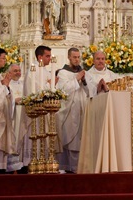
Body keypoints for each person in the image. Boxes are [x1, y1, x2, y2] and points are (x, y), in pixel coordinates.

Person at [19, 45, 53, 173]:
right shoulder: (32, 70)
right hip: (35, 112)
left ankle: (43, 160)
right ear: (40, 57)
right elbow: (34, 91)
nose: (50, 59)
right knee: (35, 134)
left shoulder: (44, 70)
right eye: (47, 56)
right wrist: (50, 84)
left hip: (45, 111)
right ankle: (30, 162)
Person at [56, 48, 89, 173]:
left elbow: (89, 91)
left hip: (81, 108)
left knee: (81, 139)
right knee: (70, 139)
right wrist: (76, 79)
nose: (77, 59)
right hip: (69, 111)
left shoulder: (83, 72)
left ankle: (79, 167)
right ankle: (67, 167)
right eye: (74, 57)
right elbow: (62, 90)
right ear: (69, 57)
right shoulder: (63, 73)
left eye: (78, 57)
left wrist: (84, 81)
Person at [6, 64, 24, 173]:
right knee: (14, 140)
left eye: (19, 70)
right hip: (13, 117)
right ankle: (12, 167)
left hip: (23, 115)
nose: (18, 73)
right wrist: (14, 101)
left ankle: (22, 164)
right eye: (15, 71)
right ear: (9, 73)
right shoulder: (8, 85)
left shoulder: (24, 85)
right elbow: (4, 99)